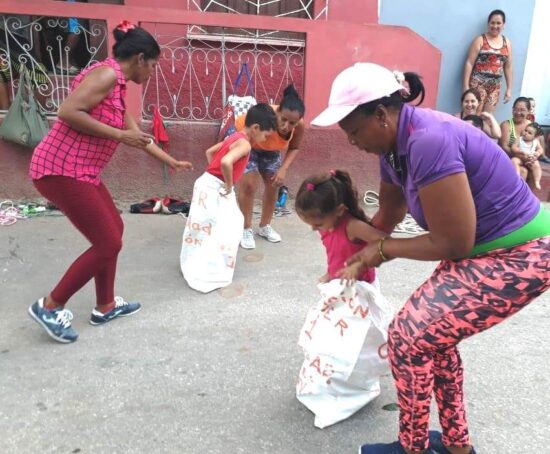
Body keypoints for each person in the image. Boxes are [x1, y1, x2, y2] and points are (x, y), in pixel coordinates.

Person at [311, 62, 550, 454]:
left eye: (354, 132)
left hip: (519, 253)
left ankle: (413, 448)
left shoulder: (428, 140)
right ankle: (457, 447)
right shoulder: (393, 150)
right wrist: (348, 258)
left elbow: (453, 242)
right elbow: (387, 217)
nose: (352, 142)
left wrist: (383, 251)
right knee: (432, 339)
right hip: (484, 250)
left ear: (382, 114)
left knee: (408, 338)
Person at [27, 21, 193, 343]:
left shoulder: (116, 85)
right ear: (141, 58)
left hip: (80, 171)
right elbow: (67, 111)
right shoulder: (106, 75)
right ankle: (50, 306)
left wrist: (170, 161)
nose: (152, 73)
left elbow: (138, 137)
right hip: (60, 169)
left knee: (114, 230)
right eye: (154, 66)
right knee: (108, 242)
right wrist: (120, 135)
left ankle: (104, 305)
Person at [180, 104, 277, 292]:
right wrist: (228, 183)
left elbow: (210, 152)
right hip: (214, 187)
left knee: (210, 226)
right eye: (266, 135)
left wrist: (216, 176)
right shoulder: (245, 144)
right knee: (226, 225)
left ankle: (204, 261)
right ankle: (211, 267)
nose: (265, 140)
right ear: (256, 128)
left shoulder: (233, 136)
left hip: (206, 183)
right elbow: (225, 161)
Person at [236, 84, 305, 249]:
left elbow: (294, 148)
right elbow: (242, 133)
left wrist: (283, 169)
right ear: (278, 112)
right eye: (283, 119)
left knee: (274, 184)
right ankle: (246, 228)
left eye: (292, 123)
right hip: (249, 145)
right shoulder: (265, 116)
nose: (286, 126)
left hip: (272, 151)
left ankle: (264, 226)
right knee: (249, 185)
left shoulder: (299, 126)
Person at [294, 169, 385, 285]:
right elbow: (336, 255)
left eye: (318, 224)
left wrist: (360, 264)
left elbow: (386, 242)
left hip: (362, 286)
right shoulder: (326, 226)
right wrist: (331, 273)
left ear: (340, 210)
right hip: (340, 283)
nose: (313, 228)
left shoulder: (352, 226)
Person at [463, 9, 512, 113]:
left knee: (487, 118)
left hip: (495, 88)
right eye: (492, 22)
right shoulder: (480, 40)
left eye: (498, 23)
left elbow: (508, 66)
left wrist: (509, 89)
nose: (495, 26)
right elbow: (469, 63)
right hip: (478, 85)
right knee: (474, 116)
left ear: (504, 25)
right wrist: (466, 86)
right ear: (488, 23)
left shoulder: (506, 42)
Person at [499, 97, 533, 183]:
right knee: (523, 172)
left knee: (534, 171)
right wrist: (521, 156)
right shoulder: (506, 125)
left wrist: (532, 157)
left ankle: (527, 195)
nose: (518, 113)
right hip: (507, 159)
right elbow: (504, 146)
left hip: (524, 160)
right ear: (512, 109)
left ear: (528, 111)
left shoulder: (531, 126)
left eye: (522, 110)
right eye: (516, 109)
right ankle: (518, 195)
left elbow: (536, 145)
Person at [511, 122, 544, 190]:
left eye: (529, 133)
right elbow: (513, 147)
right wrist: (520, 151)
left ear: (535, 136)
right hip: (520, 158)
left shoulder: (536, 141)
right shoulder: (519, 139)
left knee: (537, 166)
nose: (526, 133)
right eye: (525, 130)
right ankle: (516, 175)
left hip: (530, 159)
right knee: (514, 160)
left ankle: (537, 181)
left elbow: (540, 149)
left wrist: (537, 153)